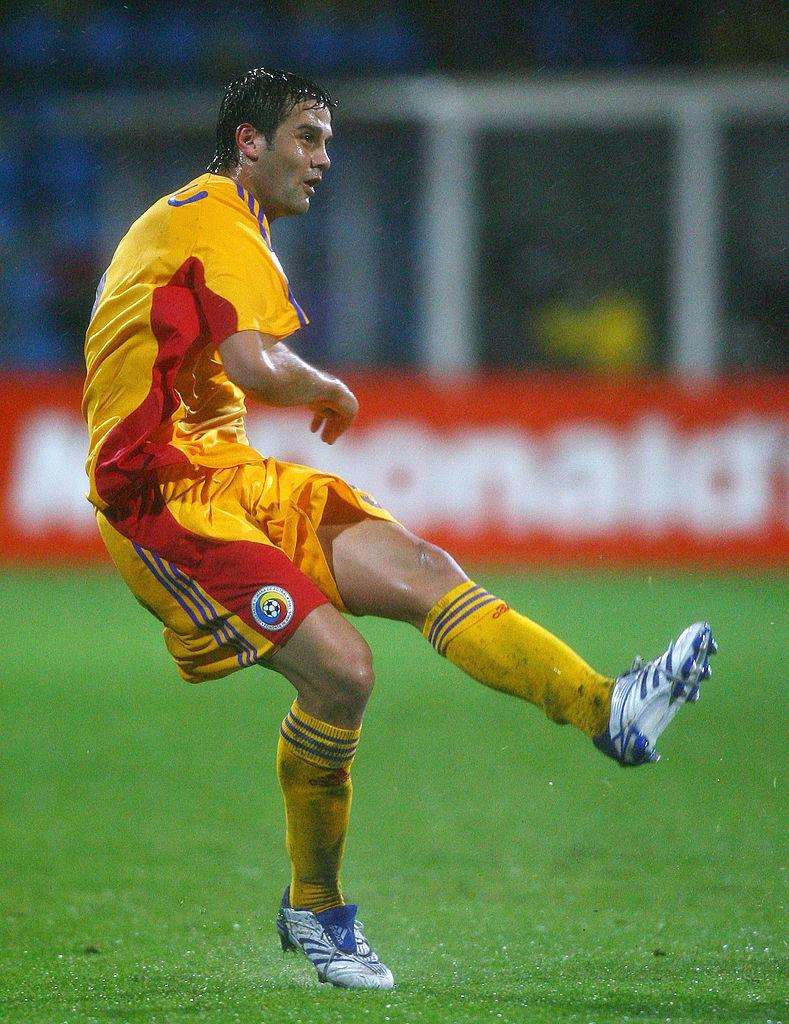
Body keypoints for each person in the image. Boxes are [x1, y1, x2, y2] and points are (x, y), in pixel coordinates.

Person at [82, 68, 717, 991]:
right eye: (306, 138)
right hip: (157, 496)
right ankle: (317, 909)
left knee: (422, 568)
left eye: (326, 141)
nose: (322, 159)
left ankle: (605, 708)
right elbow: (254, 364)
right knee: (342, 671)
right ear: (250, 143)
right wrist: (328, 387)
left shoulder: (212, 220)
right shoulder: (216, 218)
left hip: (224, 471)